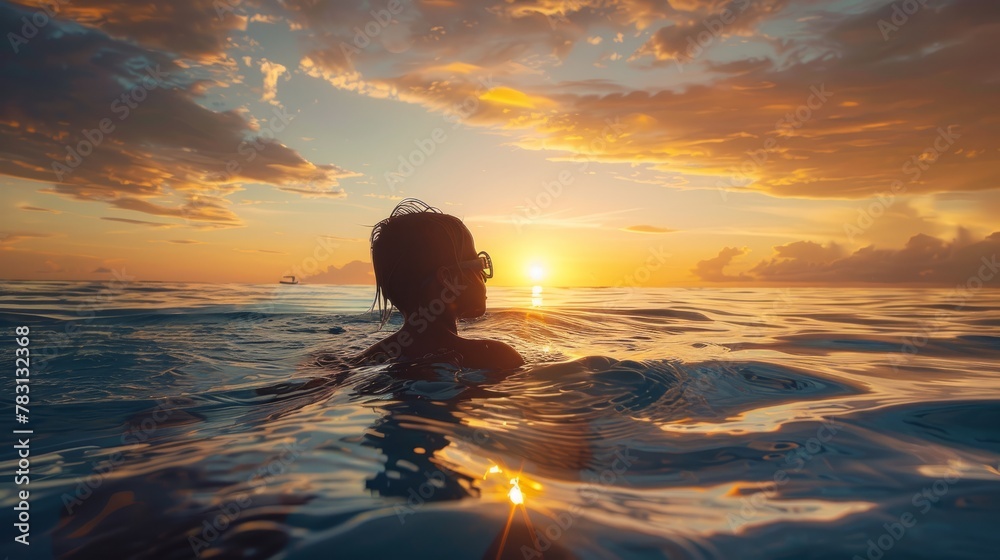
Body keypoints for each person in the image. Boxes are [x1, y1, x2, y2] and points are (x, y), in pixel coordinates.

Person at [353, 199, 524, 370]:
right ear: (448, 279)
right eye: (479, 264)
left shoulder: (367, 361)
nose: (484, 277)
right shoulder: (495, 357)